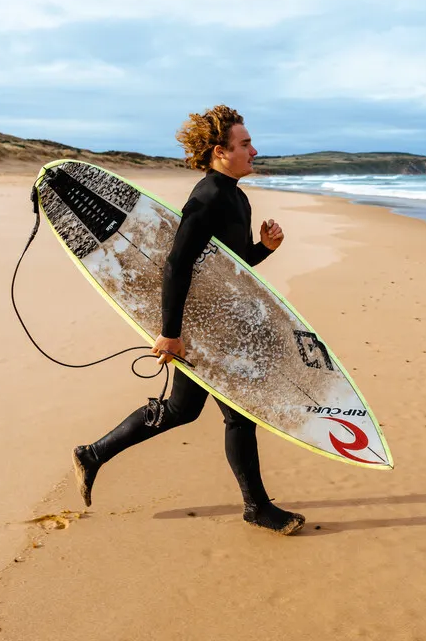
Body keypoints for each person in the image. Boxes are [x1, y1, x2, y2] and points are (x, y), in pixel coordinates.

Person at [70, 105, 305, 536]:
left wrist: (264, 249)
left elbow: (226, 269)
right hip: (201, 328)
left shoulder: (235, 195)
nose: (255, 150)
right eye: (245, 143)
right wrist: (171, 334)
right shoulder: (208, 197)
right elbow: (176, 265)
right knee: (239, 415)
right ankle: (258, 508)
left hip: (216, 323)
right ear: (220, 151)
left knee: (182, 410)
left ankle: (93, 454)